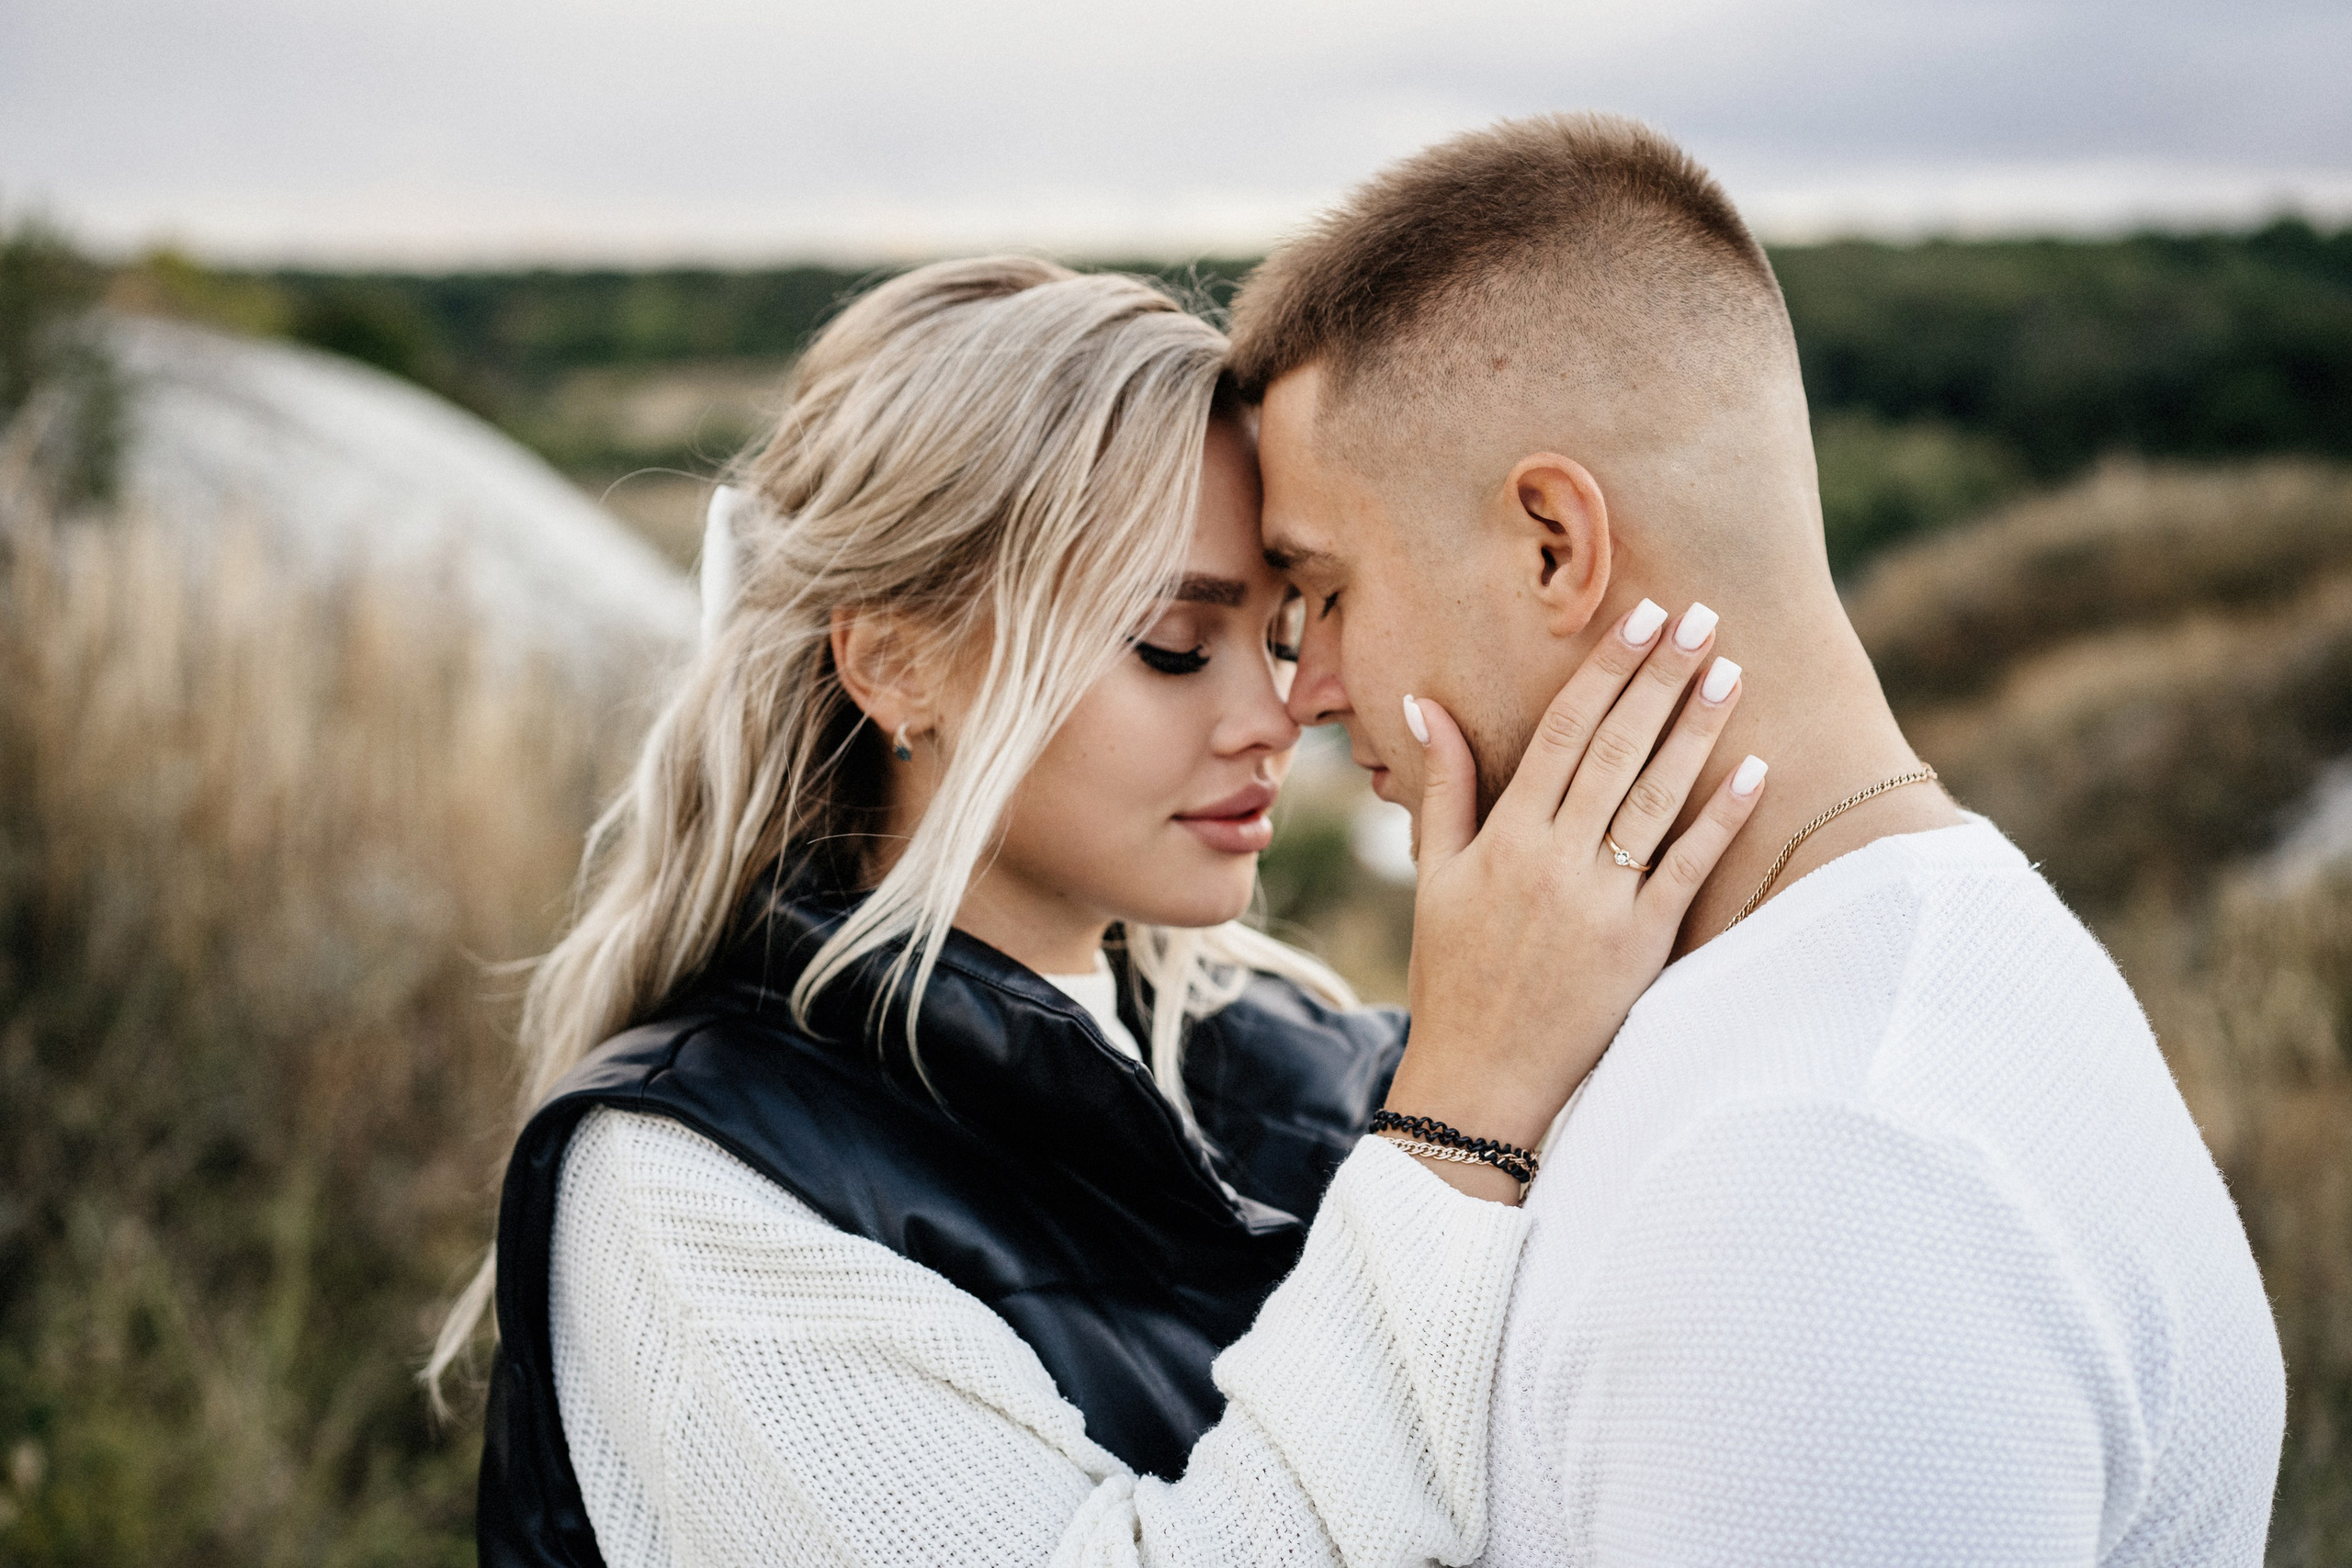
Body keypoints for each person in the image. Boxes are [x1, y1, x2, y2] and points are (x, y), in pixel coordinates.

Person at [429, 254, 1769, 1565]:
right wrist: (1466, 1111)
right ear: (897, 663)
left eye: (1288, 633)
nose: (1274, 716)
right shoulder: (691, 1179)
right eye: (1176, 644)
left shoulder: (1304, 1057)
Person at [1228, 112, 2289, 1565]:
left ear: (1553, 543)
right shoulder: (1877, 974)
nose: (1307, 691)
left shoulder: (1831, 1165)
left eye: (1325, 588)